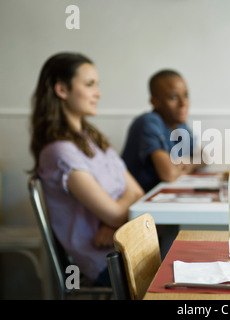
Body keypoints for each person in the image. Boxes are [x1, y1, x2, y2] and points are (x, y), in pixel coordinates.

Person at [30, 53, 144, 286]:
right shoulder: (59, 152)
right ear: (62, 90)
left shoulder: (93, 138)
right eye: (90, 85)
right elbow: (117, 209)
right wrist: (115, 216)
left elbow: (138, 193)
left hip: (123, 247)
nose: (98, 93)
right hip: (104, 261)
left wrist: (111, 224)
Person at [121, 69, 203, 256]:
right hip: (136, 217)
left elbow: (203, 156)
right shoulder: (148, 122)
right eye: (174, 97)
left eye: (186, 95)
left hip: (159, 212)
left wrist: (185, 164)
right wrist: (182, 165)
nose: (183, 103)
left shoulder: (179, 124)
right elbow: (168, 173)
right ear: (154, 102)